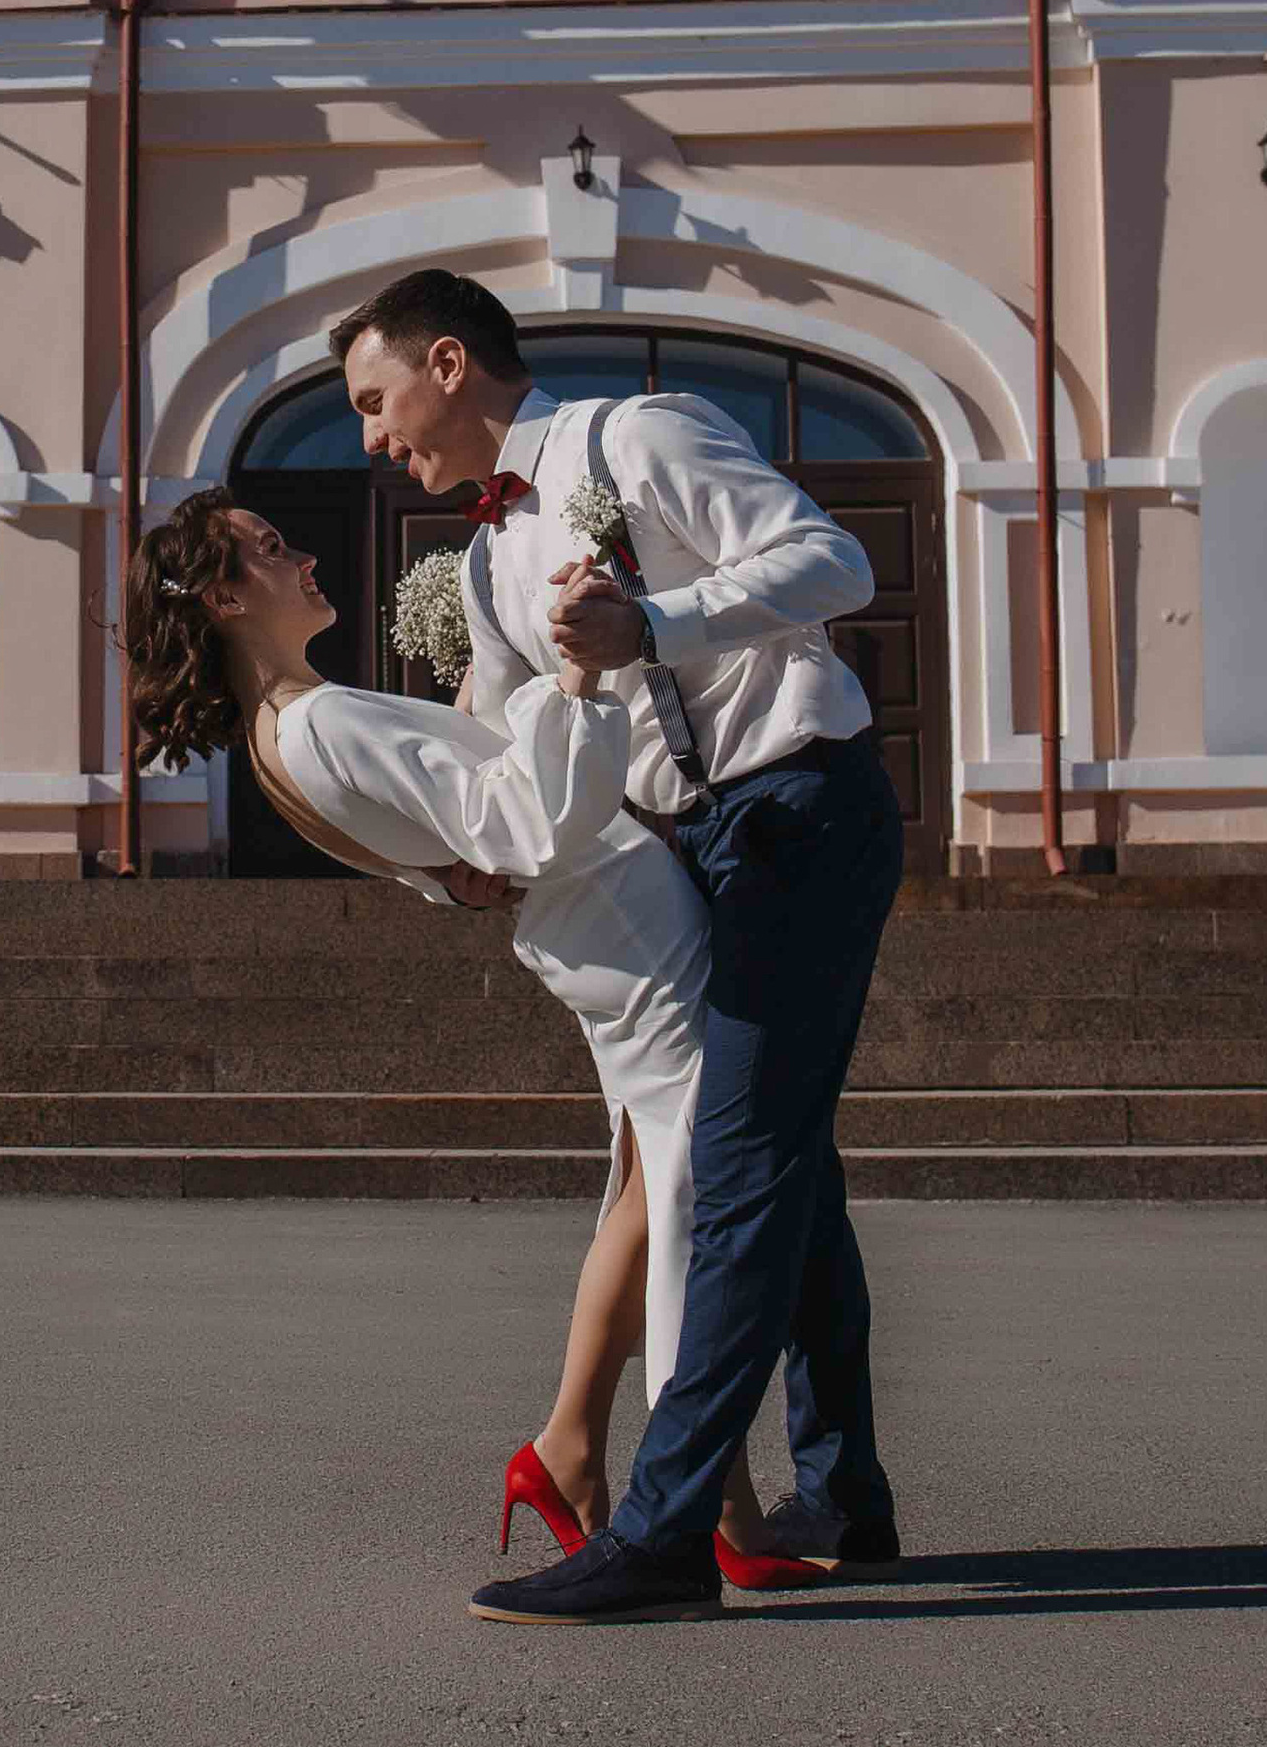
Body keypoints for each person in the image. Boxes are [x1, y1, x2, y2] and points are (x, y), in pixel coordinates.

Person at [332, 270, 906, 1627]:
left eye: (374, 400)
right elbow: (482, 751)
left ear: (451, 364)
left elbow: (837, 562)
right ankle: (852, 1495)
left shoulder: (635, 436)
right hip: (683, 847)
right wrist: (443, 874)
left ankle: (660, 1531)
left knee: (743, 1156)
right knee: (793, 1161)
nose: (367, 437)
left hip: (801, 802)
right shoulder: (483, 559)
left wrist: (659, 622)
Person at [125, 486, 816, 1609]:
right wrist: (583, 675)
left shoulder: (287, 729)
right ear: (221, 597)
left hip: (603, 926)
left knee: (654, 1187)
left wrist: (459, 836)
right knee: (693, 1199)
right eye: (270, 550)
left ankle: (589, 1458)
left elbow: (451, 849)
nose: (302, 556)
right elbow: (522, 826)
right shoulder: (318, 721)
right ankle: (693, 1502)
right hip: (626, 926)